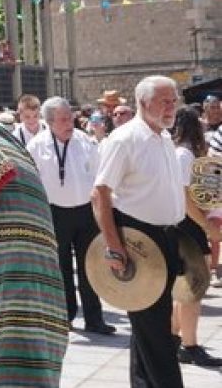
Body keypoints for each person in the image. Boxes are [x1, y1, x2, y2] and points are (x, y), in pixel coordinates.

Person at [91, 75, 186, 387]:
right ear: (144, 103)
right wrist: (114, 247)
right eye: (165, 101)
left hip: (167, 237)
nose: (172, 106)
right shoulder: (124, 140)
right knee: (157, 330)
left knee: (148, 327)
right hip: (139, 241)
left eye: (174, 100)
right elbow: (100, 195)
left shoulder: (164, 136)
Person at [28, 97, 113, 334]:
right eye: (63, 119)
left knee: (90, 266)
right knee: (61, 266)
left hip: (85, 211)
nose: (69, 123)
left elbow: (98, 175)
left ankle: (95, 319)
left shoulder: (84, 140)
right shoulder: (36, 146)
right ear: (50, 122)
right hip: (54, 212)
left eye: (71, 117)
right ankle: (65, 316)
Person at [170, 106, 222, 367]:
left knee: (186, 292)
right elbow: (184, 198)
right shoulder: (183, 154)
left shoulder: (184, 152)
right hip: (187, 227)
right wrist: (207, 226)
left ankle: (174, 341)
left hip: (187, 226)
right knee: (193, 291)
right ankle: (189, 347)